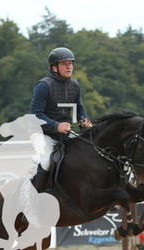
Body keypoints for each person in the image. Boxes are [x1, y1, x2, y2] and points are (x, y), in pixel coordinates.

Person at [29, 47, 92, 191]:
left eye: (70, 63)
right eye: (64, 64)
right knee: (46, 161)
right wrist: (56, 126)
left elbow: (79, 108)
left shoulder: (75, 85)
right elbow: (35, 116)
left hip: (64, 133)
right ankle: (32, 197)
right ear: (54, 67)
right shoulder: (43, 86)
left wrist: (84, 119)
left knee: (84, 155)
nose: (69, 67)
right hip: (42, 133)